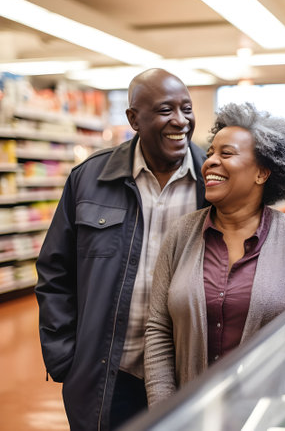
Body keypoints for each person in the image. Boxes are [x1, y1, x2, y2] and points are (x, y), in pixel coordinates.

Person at [34, 68, 209, 430]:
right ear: (134, 118)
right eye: (165, 110)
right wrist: (64, 357)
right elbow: (55, 270)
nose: (180, 121)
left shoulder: (214, 180)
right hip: (108, 375)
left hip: (189, 373)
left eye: (187, 109)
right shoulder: (89, 180)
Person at [144, 102, 285, 406]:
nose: (210, 163)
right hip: (193, 415)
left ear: (262, 173)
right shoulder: (181, 235)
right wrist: (163, 410)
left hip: (268, 412)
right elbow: (158, 329)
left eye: (227, 154)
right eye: (210, 154)